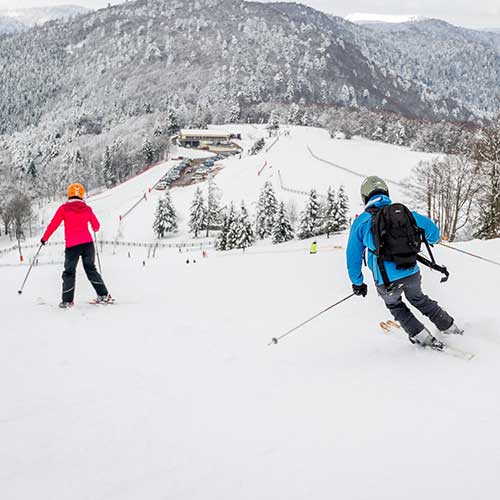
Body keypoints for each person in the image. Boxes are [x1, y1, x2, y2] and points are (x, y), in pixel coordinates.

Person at [346, 176, 462, 348]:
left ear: (365, 197)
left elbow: (353, 256)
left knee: (395, 305)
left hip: (386, 280)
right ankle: (450, 327)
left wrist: (358, 283)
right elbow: (434, 234)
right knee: (420, 299)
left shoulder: (362, 221)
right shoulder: (404, 214)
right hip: (411, 273)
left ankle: (422, 337)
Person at [41, 183, 112, 308]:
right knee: (90, 269)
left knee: (69, 272)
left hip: (72, 246)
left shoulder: (64, 209)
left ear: (69, 194)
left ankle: (67, 301)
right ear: (82, 194)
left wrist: (44, 238)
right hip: (87, 244)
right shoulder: (87, 209)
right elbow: (96, 227)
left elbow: (54, 224)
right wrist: (92, 226)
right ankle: (104, 294)